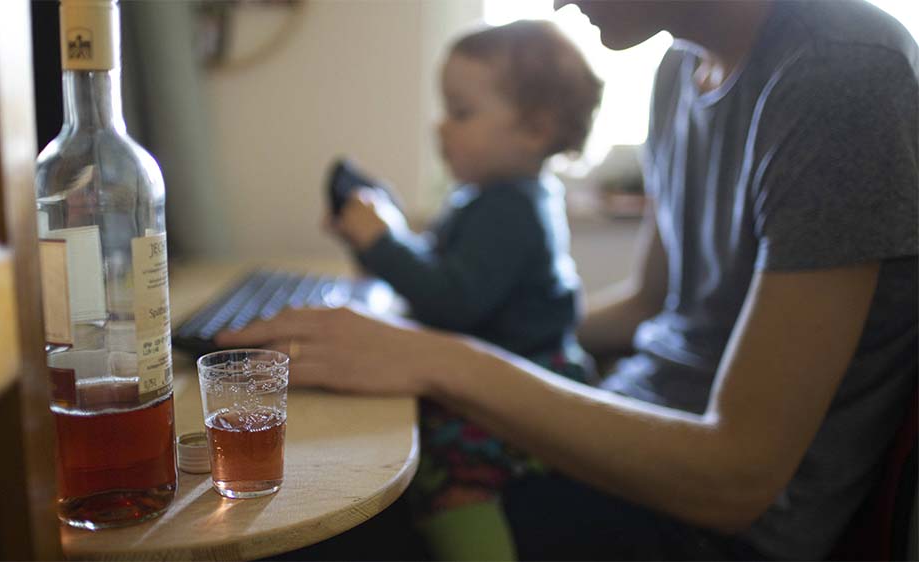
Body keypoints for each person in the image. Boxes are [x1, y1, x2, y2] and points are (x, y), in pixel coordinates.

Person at [219, 0, 919, 559]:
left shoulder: (839, 71)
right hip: (627, 437)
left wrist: (440, 358)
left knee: (316, 529)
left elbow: (737, 480)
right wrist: (434, 332)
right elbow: (652, 306)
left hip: (710, 527)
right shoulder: (680, 72)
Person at [324, 20, 602, 561]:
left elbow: (451, 300)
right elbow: (435, 274)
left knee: (452, 491)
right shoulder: (489, 197)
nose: (440, 127)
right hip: (501, 371)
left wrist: (383, 244)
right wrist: (374, 241)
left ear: (536, 130)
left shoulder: (509, 208)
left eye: (461, 112)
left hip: (520, 392)